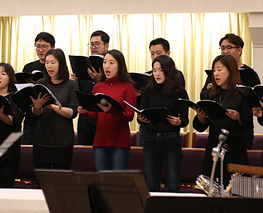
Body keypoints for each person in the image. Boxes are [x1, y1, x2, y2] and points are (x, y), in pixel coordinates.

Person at [193, 54, 252, 186]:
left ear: (230, 71)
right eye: (214, 70)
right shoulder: (210, 94)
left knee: (234, 190)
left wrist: (238, 117)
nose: (216, 74)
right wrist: (200, 118)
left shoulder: (242, 94)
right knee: (212, 189)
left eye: (219, 70)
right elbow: (200, 127)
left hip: (235, 151)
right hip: (213, 149)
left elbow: (248, 123)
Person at [78, 49, 136, 171]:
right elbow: (95, 116)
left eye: (111, 63)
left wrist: (112, 110)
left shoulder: (128, 87)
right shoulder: (98, 86)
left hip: (120, 142)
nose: (107, 66)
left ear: (119, 66)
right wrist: (85, 113)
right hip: (100, 142)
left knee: (117, 180)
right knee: (102, 179)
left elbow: (130, 116)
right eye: (104, 62)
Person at [138, 55, 189, 192]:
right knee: (151, 184)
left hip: (170, 138)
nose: (157, 74)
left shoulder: (179, 91)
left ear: (168, 71)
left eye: (160, 70)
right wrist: (141, 118)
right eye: (154, 70)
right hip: (150, 138)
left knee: (172, 184)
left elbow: (185, 120)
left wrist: (178, 121)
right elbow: (141, 114)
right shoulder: (148, 90)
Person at [31, 48, 79, 169]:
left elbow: (72, 113)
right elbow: (35, 112)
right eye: (47, 62)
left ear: (61, 64)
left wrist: (52, 106)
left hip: (63, 142)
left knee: (61, 177)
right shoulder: (41, 83)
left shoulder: (71, 85)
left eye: (53, 62)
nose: (49, 66)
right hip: (42, 140)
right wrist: (37, 107)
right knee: (41, 176)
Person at [138, 38, 186, 146]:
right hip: (148, 127)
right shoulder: (147, 77)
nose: (155, 57)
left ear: (168, 54)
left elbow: (177, 103)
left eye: (158, 53)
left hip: (168, 129)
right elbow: (142, 106)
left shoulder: (177, 76)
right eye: (152, 54)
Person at [74, 30, 110, 145]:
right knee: (84, 152)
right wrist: (74, 82)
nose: (93, 47)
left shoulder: (112, 65)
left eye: (97, 44)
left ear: (106, 46)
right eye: (91, 44)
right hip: (85, 118)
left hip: (104, 117)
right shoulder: (85, 64)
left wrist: (99, 81)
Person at [200, 33, 260, 98]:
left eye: (229, 48)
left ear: (239, 50)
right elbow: (203, 95)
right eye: (222, 48)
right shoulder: (216, 72)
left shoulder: (249, 73)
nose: (225, 51)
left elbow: (257, 96)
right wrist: (211, 90)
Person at [21, 32, 55, 145]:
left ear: (53, 47)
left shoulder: (56, 68)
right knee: (28, 151)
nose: (40, 50)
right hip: (31, 118)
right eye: (38, 46)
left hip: (50, 117)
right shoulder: (28, 67)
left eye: (44, 46)